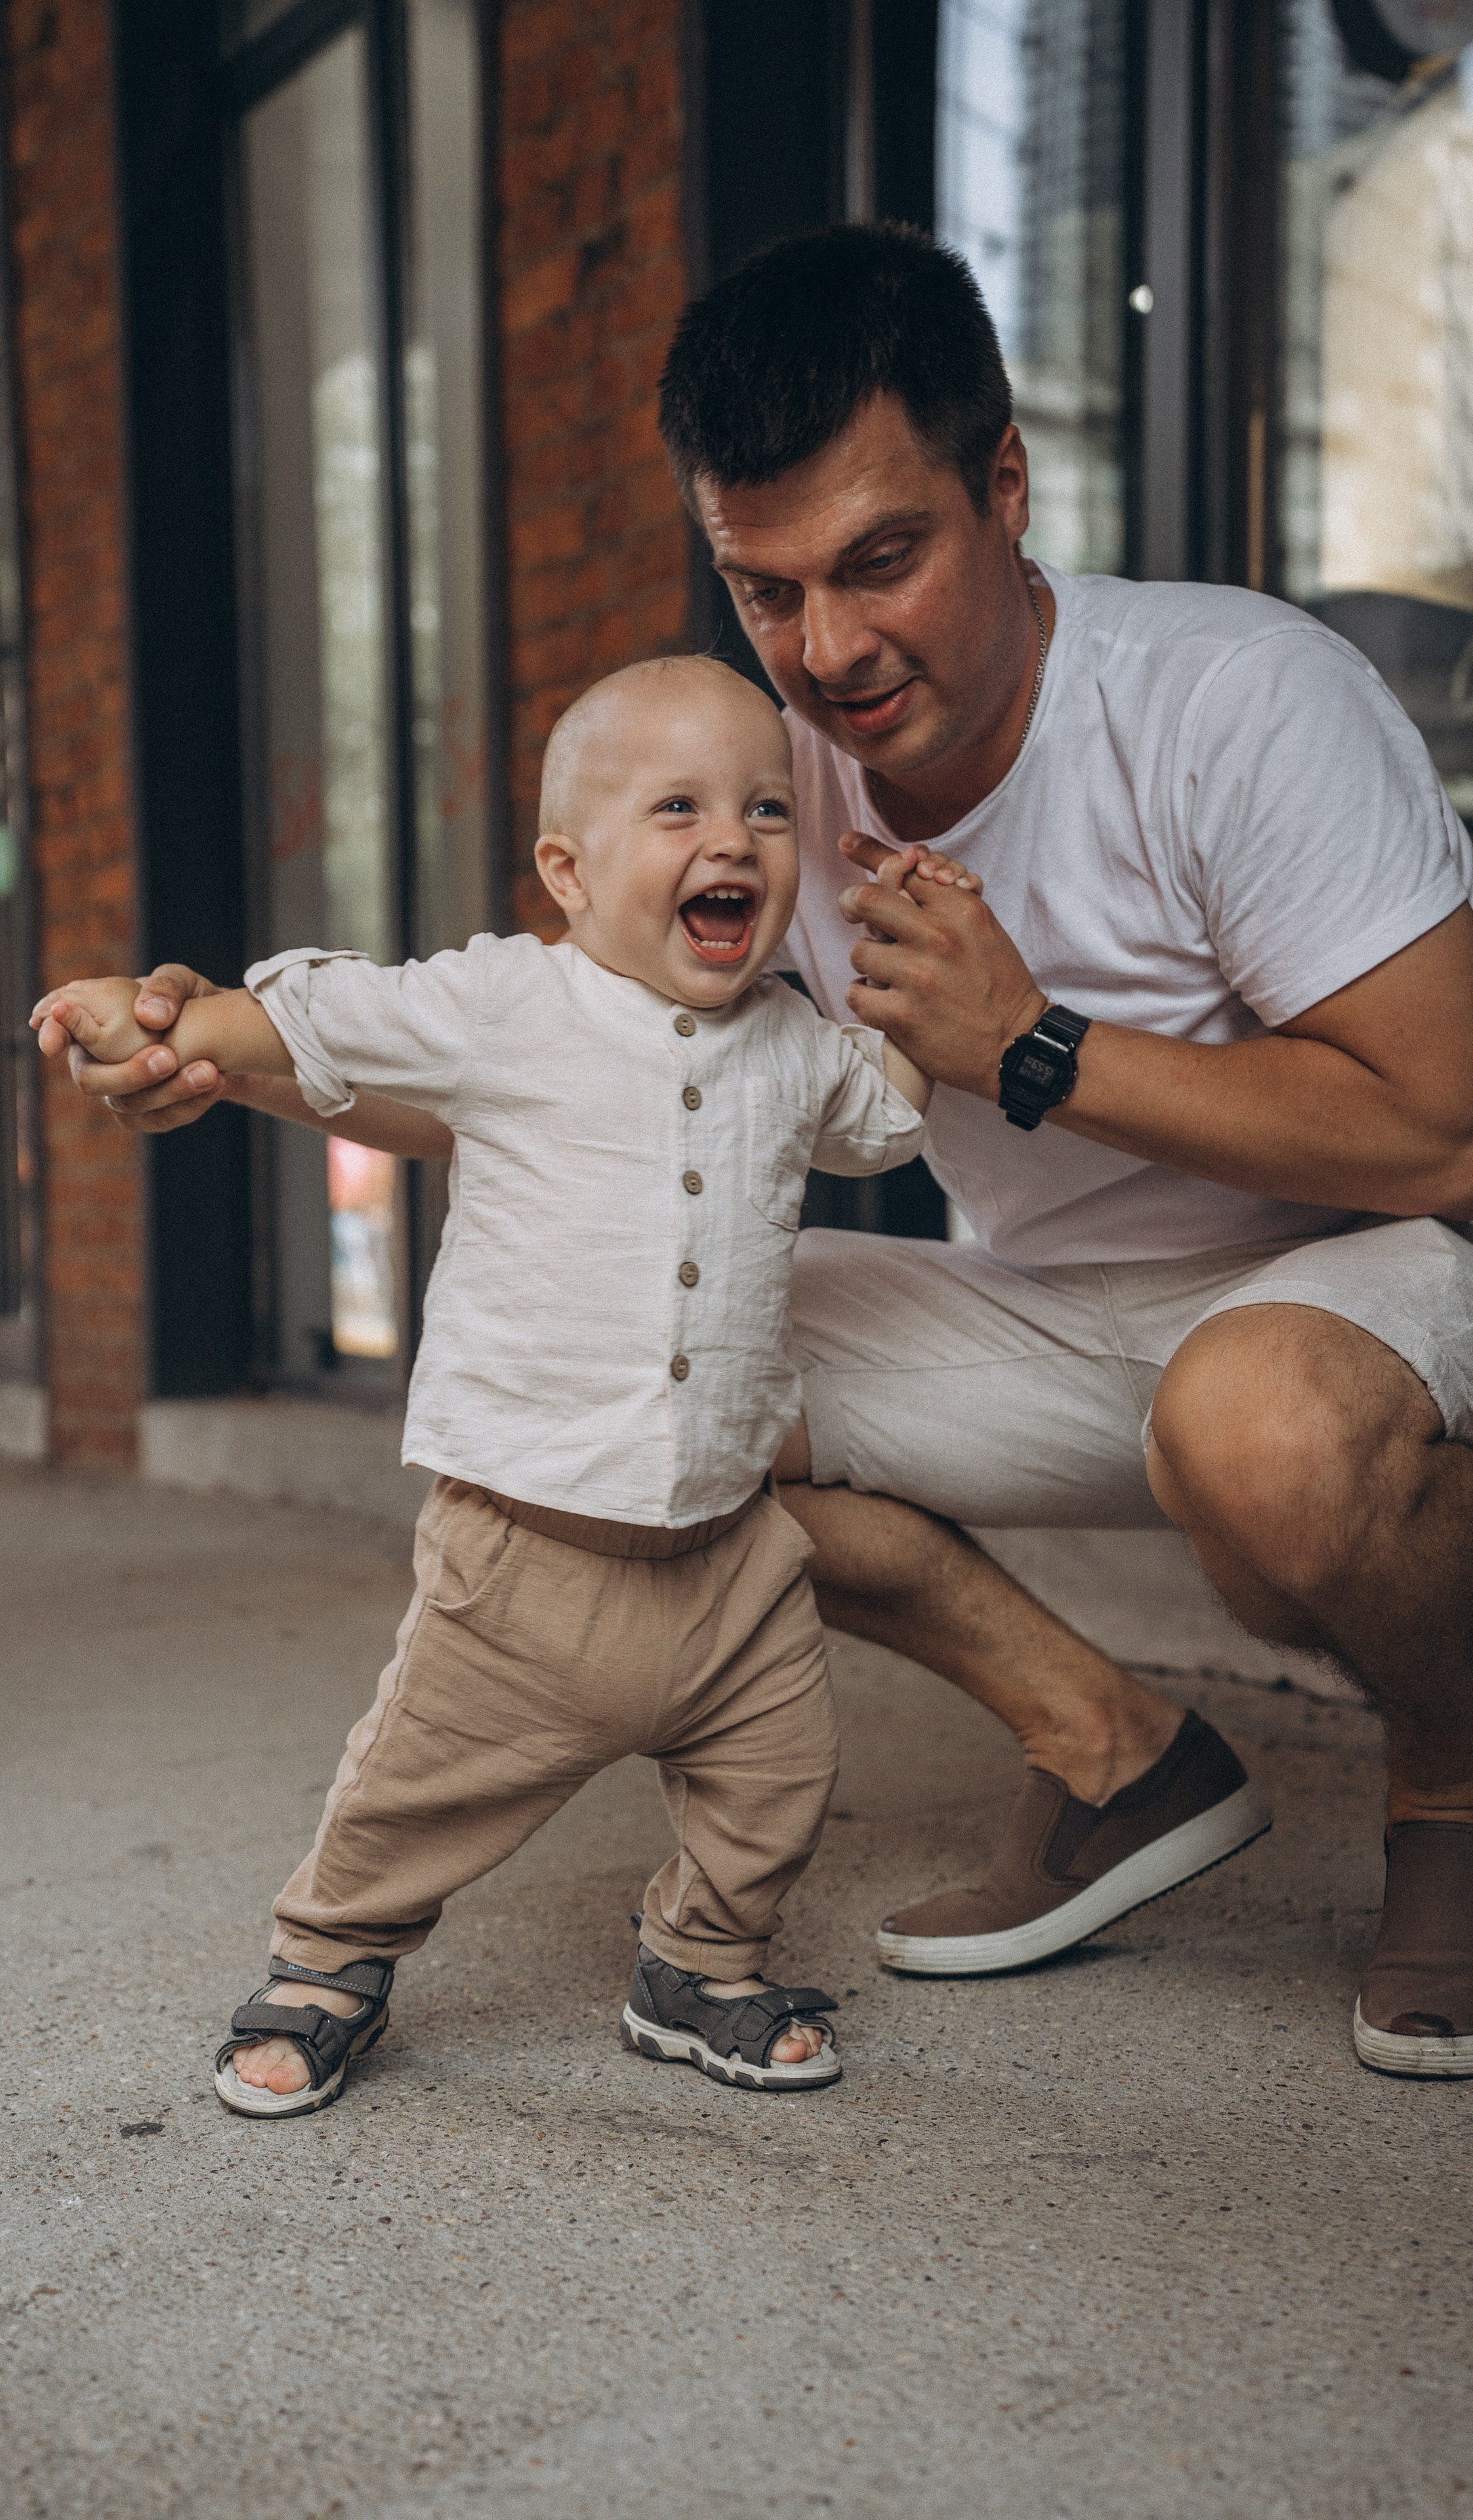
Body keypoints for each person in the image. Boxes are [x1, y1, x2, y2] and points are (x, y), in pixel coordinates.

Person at [72, 224, 1473, 2082]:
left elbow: (1441, 1128)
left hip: (1358, 1274)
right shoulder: (757, 781)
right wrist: (228, 1060)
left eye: (882, 562)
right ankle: (1115, 1754)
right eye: (768, 590)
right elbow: (561, 1076)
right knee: (646, 1385)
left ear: (1005, 485)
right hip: (1047, 1303)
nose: (829, 652)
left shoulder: (1233, 699)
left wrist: (1033, 1048)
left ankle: (1452, 1791)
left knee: (1263, 1424)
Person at [33, 656, 974, 2116]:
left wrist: (926, 997)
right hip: (528, 1550)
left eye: (767, 810)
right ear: (569, 873)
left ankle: (699, 1966)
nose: (732, 840)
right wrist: (165, 1025)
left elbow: (886, 1127)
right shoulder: (508, 1002)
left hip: (731, 1552)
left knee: (778, 1777)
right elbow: (328, 1022)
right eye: (678, 808)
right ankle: (330, 1955)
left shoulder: (796, 1042)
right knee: (418, 1789)